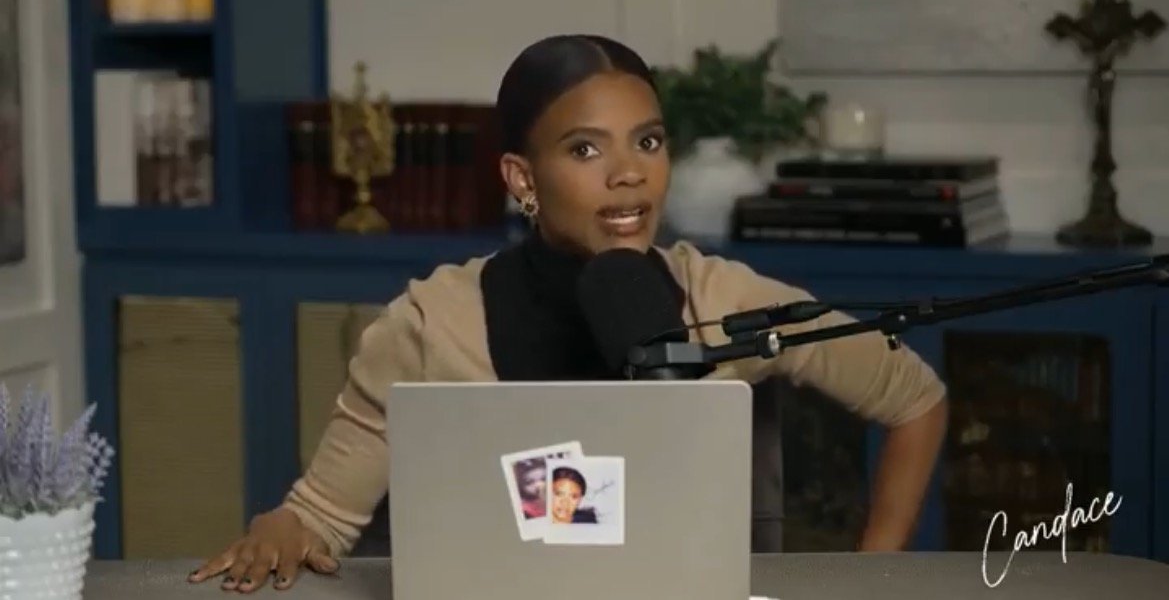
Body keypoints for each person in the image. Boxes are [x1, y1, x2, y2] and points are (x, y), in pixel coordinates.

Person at [187, 33, 948, 593]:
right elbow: (320, 515)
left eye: (647, 141)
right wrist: (282, 528)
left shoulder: (726, 301)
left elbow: (917, 399)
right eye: (585, 150)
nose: (629, 174)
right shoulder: (430, 322)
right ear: (522, 178)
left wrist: (871, 575)